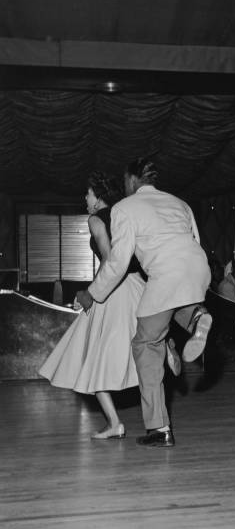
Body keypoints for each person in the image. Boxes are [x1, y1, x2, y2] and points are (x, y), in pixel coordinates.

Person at [76, 158, 212, 447]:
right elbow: (194, 243)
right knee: (170, 305)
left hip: (164, 274)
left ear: (132, 180)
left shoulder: (126, 207)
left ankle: (159, 428)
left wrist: (92, 292)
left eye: (126, 181)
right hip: (197, 268)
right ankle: (196, 317)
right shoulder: (180, 202)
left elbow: (118, 261)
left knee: (144, 344)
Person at [39, 171, 145, 439]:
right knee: (143, 345)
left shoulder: (96, 219)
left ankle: (114, 423)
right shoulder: (124, 214)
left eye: (87, 193)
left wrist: (89, 293)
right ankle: (167, 350)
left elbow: (110, 261)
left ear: (98, 197)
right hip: (137, 286)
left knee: (93, 358)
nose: (84, 198)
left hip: (114, 290)